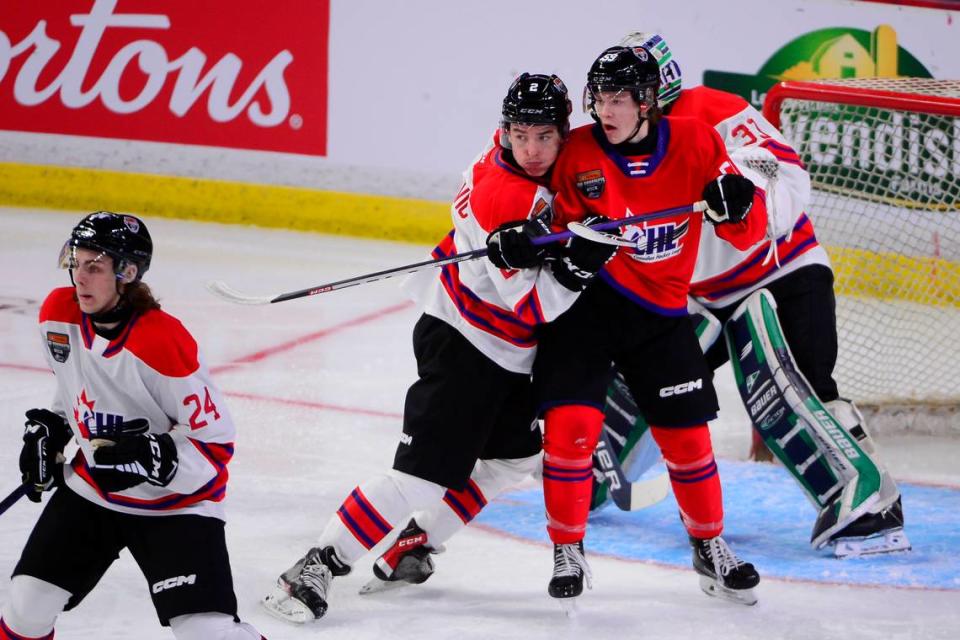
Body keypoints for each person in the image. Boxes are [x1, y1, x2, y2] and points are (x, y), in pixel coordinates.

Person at [261, 73, 587, 624]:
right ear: (504, 131)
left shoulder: (508, 157)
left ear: (563, 134)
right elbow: (532, 307)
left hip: (500, 348)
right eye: (521, 136)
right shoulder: (509, 196)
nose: (531, 149)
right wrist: (577, 268)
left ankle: (414, 545)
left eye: (544, 137)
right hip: (468, 343)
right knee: (420, 475)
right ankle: (316, 565)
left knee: (513, 458)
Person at [600, 31, 907, 557]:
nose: (621, 101)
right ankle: (595, 470)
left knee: (803, 387)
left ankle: (872, 505)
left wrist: (741, 191)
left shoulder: (711, 109)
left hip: (780, 271)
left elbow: (776, 168)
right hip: (697, 296)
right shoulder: (616, 141)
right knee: (647, 380)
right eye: (613, 92)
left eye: (633, 88)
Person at [493, 44, 769, 607]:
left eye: (619, 99)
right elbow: (529, 199)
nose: (606, 112)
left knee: (688, 440)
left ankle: (709, 545)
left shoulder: (696, 141)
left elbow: (748, 230)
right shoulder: (576, 150)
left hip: (660, 316)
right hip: (586, 310)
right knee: (570, 432)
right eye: (599, 99)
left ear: (647, 101)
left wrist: (739, 202)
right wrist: (512, 237)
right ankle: (567, 549)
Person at [1, 212, 265, 640]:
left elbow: (214, 444)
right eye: (76, 262)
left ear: (126, 273)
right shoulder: (57, 314)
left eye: (94, 267)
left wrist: (152, 455)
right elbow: (77, 391)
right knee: (26, 607)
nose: (79, 278)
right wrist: (52, 429)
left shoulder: (160, 340)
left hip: (174, 505)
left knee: (207, 632)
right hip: (93, 493)